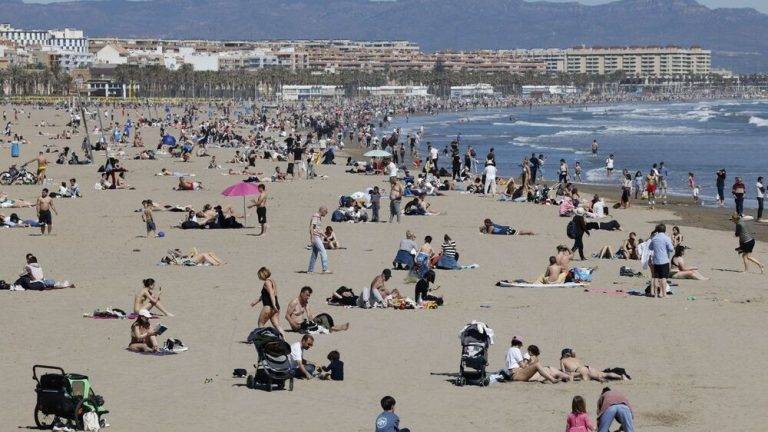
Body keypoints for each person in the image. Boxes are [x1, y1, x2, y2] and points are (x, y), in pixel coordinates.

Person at [284, 286, 349, 332]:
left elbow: (309, 312)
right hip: (297, 327)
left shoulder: (305, 302)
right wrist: (293, 324)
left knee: (324, 317)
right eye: (307, 295)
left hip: (304, 323)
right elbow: (287, 316)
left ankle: (337, 327)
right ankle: (339, 328)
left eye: (309, 295)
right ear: (301, 293)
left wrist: (311, 318)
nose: (308, 297)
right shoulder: (294, 302)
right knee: (322, 327)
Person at [250, 267, 285, 338]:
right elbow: (265, 295)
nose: (259, 277)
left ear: (262, 274)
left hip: (269, 306)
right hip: (276, 306)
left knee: (260, 323)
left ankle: (262, 339)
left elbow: (271, 294)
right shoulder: (272, 281)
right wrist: (256, 301)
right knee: (276, 325)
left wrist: (273, 305)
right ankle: (284, 339)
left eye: (259, 275)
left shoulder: (267, 282)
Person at [559, 348, 627, 382]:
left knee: (589, 378)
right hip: (587, 367)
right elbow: (574, 351)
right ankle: (621, 376)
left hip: (580, 370)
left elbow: (563, 372)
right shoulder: (574, 358)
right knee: (604, 374)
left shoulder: (562, 360)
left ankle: (599, 378)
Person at [649, 223, 674, 298]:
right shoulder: (666, 238)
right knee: (663, 278)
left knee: (656, 277)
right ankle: (663, 294)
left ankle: (656, 294)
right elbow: (671, 249)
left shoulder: (654, 238)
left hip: (656, 260)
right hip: (664, 260)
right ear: (665, 230)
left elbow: (650, 248)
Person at [308, 206, 331, 273]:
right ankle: (325, 269)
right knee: (323, 251)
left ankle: (310, 270)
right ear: (322, 211)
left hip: (317, 236)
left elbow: (318, 229)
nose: (326, 214)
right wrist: (311, 237)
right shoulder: (316, 217)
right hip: (315, 237)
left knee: (314, 254)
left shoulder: (318, 217)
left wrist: (326, 237)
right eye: (326, 212)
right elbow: (312, 227)